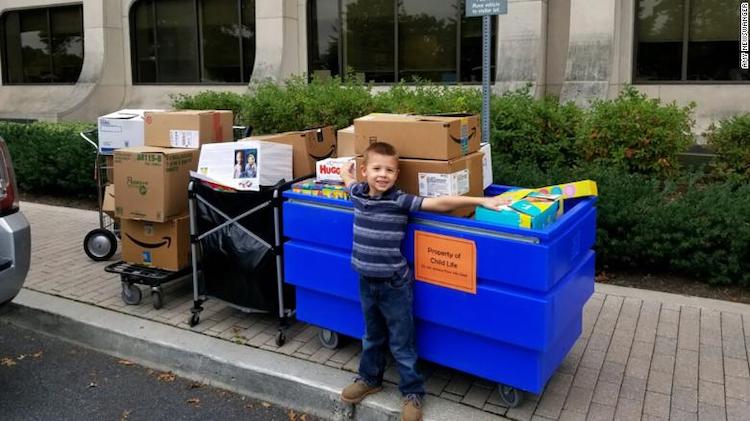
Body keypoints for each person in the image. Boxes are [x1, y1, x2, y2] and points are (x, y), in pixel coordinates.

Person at [338, 142, 510, 421]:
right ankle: (370, 379)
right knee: (371, 336)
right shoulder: (357, 192)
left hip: (394, 285)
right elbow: (349, 182)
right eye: (377, 168)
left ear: (397, 174)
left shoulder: (400, 201)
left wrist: (481, 201)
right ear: (364, 171)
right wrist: (346, 172)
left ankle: (412, 392)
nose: (383, 175)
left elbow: (439, 204)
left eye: (390, 170)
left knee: (402, 341)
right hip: (365, 281)